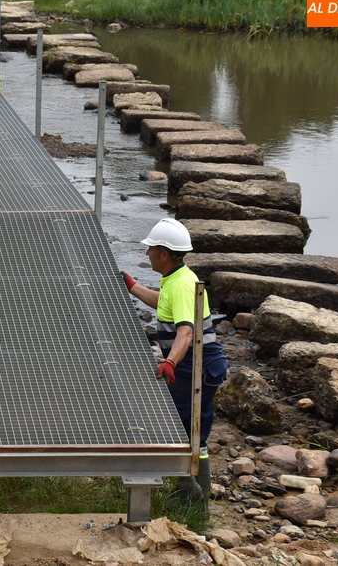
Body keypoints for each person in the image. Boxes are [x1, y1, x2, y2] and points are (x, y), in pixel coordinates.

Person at [122, 218, 228, 510]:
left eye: (151, 249)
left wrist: (169, 362)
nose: (147, 254)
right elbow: (162, 303)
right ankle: (199, 508)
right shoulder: (179, 278)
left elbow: (186, 331)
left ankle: (188, 493)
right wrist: (133, 287)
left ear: (164, 254)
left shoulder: (182, 286)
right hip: (206, 367)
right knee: (196, 435)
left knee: (167, 426)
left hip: (194, 367)